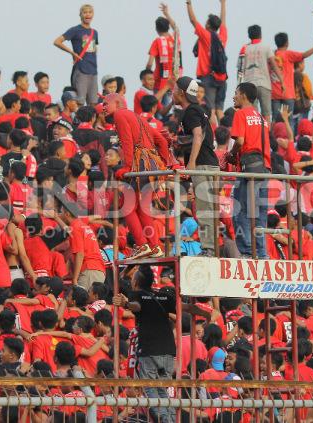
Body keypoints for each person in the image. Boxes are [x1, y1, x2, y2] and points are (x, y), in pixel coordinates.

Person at [112, 265, 210, 423]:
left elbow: (136, 306)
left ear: (136, 281)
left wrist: (126, 304)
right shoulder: (163, 296)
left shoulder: (137, 294)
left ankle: (166, 420)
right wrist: (205, 314)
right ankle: (170, 419)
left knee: (151, 389)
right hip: (168, 351)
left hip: (150, 351)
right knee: (162, 391)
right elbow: (185, 307)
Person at [104, 93, 171, 258]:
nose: (103, 107)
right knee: (142, 208)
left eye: (105, 103)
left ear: (118, 103)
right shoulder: (138, 117)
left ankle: (142, 245)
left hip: (140, 164)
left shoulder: (120, 114)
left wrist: (127, 167)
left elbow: (127, 142)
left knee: (127, 207)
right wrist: (165, 164)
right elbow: (161, 141)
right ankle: (155, 247)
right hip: (153, 166)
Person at [175, 76, 219, 256]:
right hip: (210, 164)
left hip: (202, 165)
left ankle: (209, 249)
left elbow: (198, 135)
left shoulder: (191, 111)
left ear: (181, 93)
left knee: (204, 210)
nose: (172, 93)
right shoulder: (198, 110)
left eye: (174, 90)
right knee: (208, 209)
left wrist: (191, 163)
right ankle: (211, 248)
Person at [226, 82, 271, 258]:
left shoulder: (241, 114)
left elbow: (239, 141)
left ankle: (246, 252)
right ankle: (261, 253)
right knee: (259, 213)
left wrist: (230, 155)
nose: (234, 96)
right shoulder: (261, 118)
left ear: (243, 95)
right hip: (264, 169)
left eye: (236, 93)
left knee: (240, 211)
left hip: (248, 170)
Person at [187, 0, 227, 122]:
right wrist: (223, 4)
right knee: (220, 110)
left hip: (209, 78)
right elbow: (223, 22)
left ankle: (214, 138)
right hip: (222, 78)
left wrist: (189, 4)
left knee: (211, 110)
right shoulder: (222, 37)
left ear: (208, 25)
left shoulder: (206, 35)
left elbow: (193, 21)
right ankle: (226, 136)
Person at [55, 4, 99, 105]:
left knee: (93, 103)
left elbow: (95, 49)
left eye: (90, 12)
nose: (88, 15)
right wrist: (72, 53)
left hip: (93, 71)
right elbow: (57, 41)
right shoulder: (75, 30)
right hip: (81, 69)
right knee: (80, 101)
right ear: (80, 15)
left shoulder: (94, 32)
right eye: (85, 12)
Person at [239, 25, 283, 121]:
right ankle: (266, 134)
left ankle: (255, 134)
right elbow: (274, 65)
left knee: (252, 114)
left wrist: (239, 87)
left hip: (249, 86)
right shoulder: (266, 48)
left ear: (249, 35)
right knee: (266, 113)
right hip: (264, 84)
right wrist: (282, 81)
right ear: (260, 34)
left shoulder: (244, 49)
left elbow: (240, 69)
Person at [271, 32, 313, 121]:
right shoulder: (288, 54)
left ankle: (275, 134)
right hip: (287, 93)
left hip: (274, 93)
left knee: (275, 119)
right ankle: (289, 135)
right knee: (289, 120)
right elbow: (304, 55)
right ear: (287, 43)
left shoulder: (272, 55)